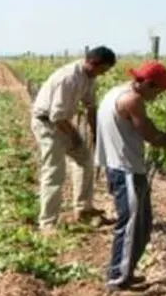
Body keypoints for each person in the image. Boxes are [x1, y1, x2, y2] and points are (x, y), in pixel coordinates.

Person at [95, 61, 166, 291]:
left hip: (123, 168)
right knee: (131, 225)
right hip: (127, 171)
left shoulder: (117, 92)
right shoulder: (133, 100)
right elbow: (151, 135)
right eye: (158, 91)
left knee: (142, 224)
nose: (158, 96)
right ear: (149, 84)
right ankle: (117, 278)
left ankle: (126, 272)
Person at [31, 46, 117, 231]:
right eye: (102, 70)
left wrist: (96, 133)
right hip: (47, 124)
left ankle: (83, 210)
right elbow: (57, 117)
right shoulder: (69, 78)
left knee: (85, 160)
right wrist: (74, 137)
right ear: (92, 63)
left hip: (62, 122)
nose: (102, 74)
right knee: (54, 172)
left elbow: (90, 106)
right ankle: (47, 223)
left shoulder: (89, 77)